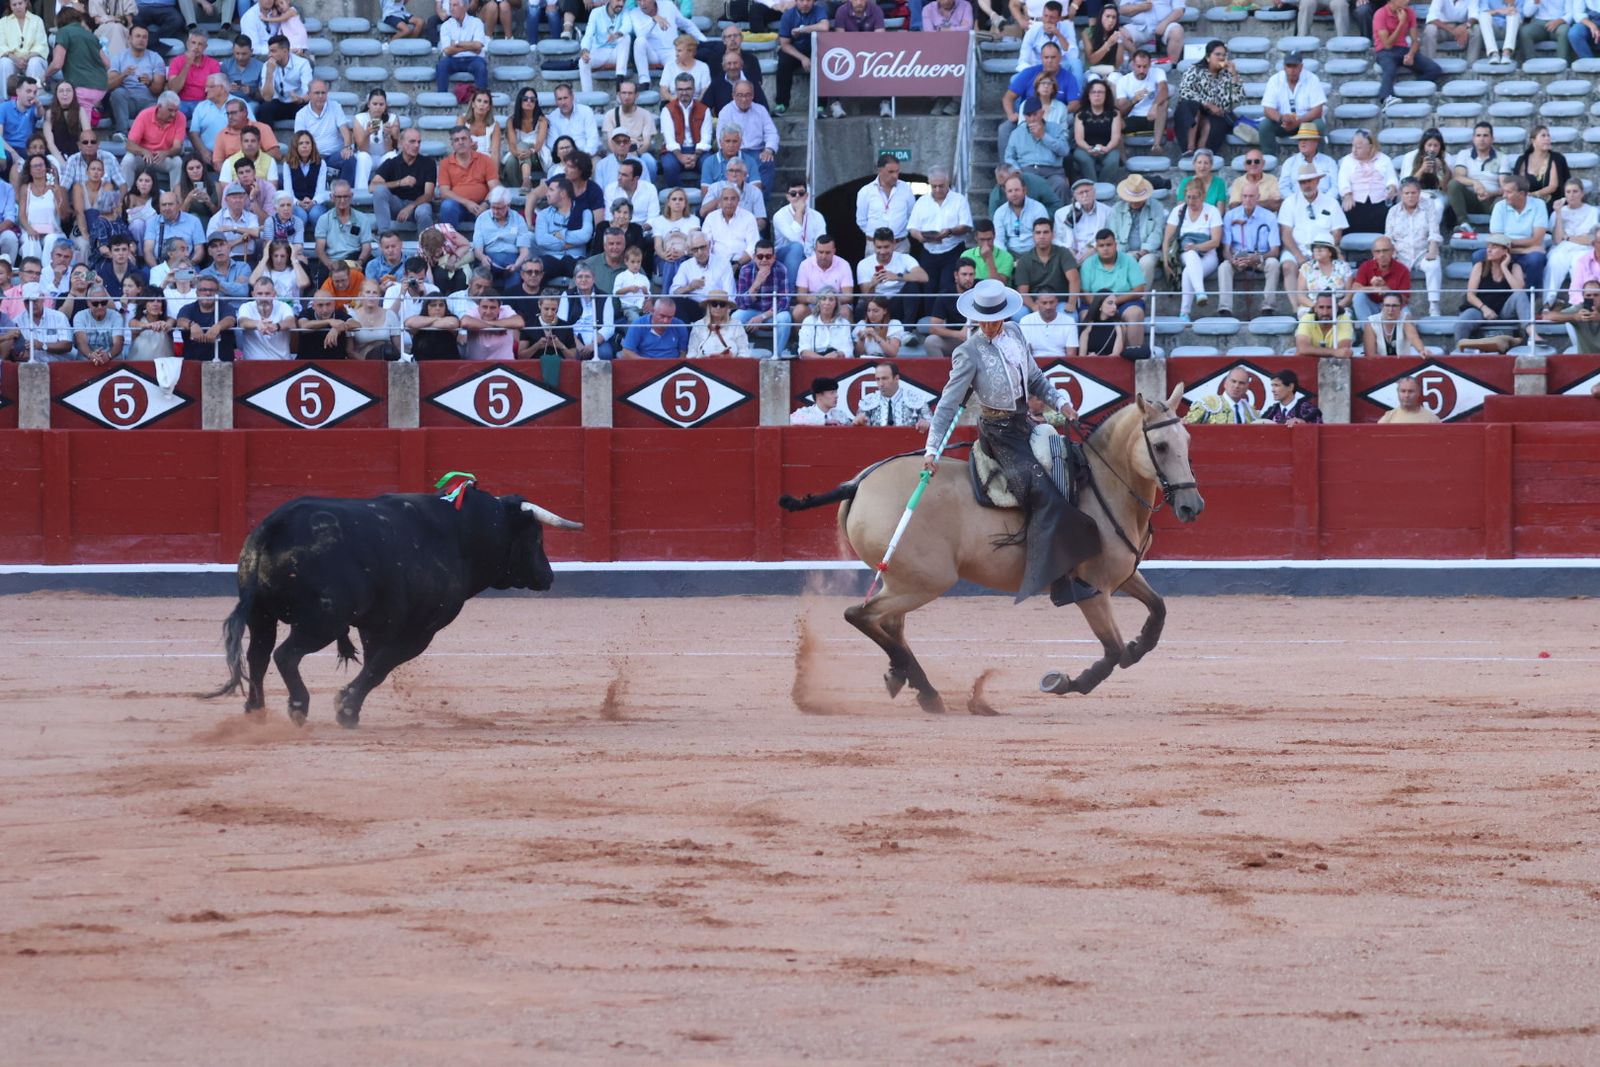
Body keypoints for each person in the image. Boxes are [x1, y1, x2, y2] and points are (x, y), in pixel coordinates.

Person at [922, 278, 1090, 606]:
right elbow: (947, 404)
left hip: (1025, 422)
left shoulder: (1014, 333)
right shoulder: (967, 351)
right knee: (1042, 491)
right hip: (999, 433)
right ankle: (1056, 579)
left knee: (1072, 466)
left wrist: (1060, 402)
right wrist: (932, 448)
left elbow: (1036, 378)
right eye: (983, 318)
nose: (989, 325)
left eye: (994, 317)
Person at [1280, 171, 1349, 307]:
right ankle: (1297, 308)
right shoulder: (1289, 202)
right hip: (1296, 248)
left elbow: (1337, 233)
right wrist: (1299, 257)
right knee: (1287, 266)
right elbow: (1286, 234)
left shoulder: (1331, 203)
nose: (1306, 185)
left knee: (1342, 264)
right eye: (1303, 182)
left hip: (1326, 247)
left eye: (1310, 181)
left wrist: (1324, 251)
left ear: (1317, 181)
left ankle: (1340, 305)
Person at [1455, 233, 1529, 351]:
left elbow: (1519, 291)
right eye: (1488, 246)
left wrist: (1504, 267)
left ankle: (1530, 335)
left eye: (1494, 247)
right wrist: (1484, 308)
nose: (1489, 250)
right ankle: (1460, 351)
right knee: (1462, 323)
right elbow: (1470, 295)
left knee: (1520, 295)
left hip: (1505, 311)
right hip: (1480, 309)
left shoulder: (1515, 267)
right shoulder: (1480, 266)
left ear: (1505, 251)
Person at [1217, 185, 1282, 318]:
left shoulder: (1269, 217)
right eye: (1245, 196)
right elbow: (1225, 249)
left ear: (1258, 198)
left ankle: (1268, 306)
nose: (1248, 200)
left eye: (1251, 196)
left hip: (1260, 256)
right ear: (1241, 197)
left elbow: (1275, 250)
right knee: (1224, 267)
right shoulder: (1230, 216)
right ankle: (1225, 308)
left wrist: (1258, 258)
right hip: (1237, 255)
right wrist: (1232, 260)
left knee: (1273, 263)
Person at [1079, 227, 1148, 348]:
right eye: (1101, 246)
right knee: (1085, 315)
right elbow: (1084, 293)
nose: (1105, 249)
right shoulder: (1088, 263)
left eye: (1109, 245)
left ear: (1115, 245)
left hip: (1124, 302)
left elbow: (1139, 290)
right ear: (1096, 248)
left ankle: (1132, 355)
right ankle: (1091, 357)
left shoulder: (1128, 260)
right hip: (1095, 304)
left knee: (1135, 314)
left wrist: (1113, 303)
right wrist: (1103, 305)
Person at [1163, 179, 1222, 317]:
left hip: (1208, 254)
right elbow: (1167, 239)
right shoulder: (1178, 211)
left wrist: (1197, 246)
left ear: (1202, 196)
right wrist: (1166, 262)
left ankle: (1184, 313)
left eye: (1195, 197)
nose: (1191, 201)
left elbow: (1215, 242)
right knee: (1190, 254)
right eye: (1188, 197)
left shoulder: (1212, 211)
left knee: (1188, 271)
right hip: (1185, 252)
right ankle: (1200, 292)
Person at [1386, 177, 1444, 318]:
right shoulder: (1393, 211)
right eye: (1407, 193)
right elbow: (1388, 236)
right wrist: (1392, 253)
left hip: (1422, 252)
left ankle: (1434, 306)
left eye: (1413, 193)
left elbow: (1434, 232)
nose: (1410, 196)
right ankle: (1399, 308)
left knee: (1434, 265)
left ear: (1419, 192)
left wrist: (1432, 250)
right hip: (1400, 253)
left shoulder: (1429, 206)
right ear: (1401, 194)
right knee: (1391, 270)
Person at [1174, 39, 1243, 157]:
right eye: (1217, 54)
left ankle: (1202, 154)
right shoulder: (1194, 70)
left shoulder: (1227, 75)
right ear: (1208, 57)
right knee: (1191, 106)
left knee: (1214, 122)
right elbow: (1185, 91)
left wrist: (1234, 76)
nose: (1221, 58)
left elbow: (1235, 99)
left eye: (1224, 55)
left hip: (1213, 115)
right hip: (1192, 112)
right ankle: (1189, 147)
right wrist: (1207, 104)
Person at [1482, 173, 1549, 290]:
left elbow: (1537, 240)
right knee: (1478, 256)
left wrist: (1507, 243)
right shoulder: (1499, 206)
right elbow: (1497, 241)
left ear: (1522, 194)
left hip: (1515, 251)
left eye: (1508, 192)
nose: (1504, 196)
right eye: (1504, 191)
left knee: (1536, 259)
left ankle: (1532, 299)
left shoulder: (1539, 205)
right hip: (1507, 251)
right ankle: (1484, 297)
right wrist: (1525, 249)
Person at [1375, 0, 1447, 105]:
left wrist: (1411, 54)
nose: (1407, 1)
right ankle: (1386, 97)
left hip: (1403, 49)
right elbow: (1387, 44)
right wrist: (1401, 23)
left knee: (1434, 69)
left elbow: (1415, 40)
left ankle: (1411, 90)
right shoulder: (1380, 14)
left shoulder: (1409, 12)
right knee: (1389, 69)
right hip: (1385, 51)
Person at [1258, 51, 1326, 159]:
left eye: (1295, 66)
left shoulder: (1312, 79)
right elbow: (1267, 109)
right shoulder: (1274, 80)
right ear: (1284, 67)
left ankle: (1319, 159)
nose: (1292, 70)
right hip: (1283, 123)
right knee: (1265, 125)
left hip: (1305, 122)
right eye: (1289, 66)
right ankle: (1269, 160)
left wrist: (1298, 122)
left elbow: (1318, 110)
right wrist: (1281, 118)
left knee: (1318, 124)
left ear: (1301, 66)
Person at [1446, 121, 1509, 236]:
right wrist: (1475, 183)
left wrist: (1490, 193)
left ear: (1492, 139)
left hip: (1491, 199)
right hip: (1469, 198)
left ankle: (1497, 233)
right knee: (1453, 184)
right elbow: (1458, 176)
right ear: (1473, 138)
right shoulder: (1464, 154)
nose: (1482, 139)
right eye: (1478, 135)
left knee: (1502, 201)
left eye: (1485, 135)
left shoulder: (1501, 157)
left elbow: (1505, 187)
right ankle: (1464, 224)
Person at [1544, 180, 1599, 309]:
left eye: (1575, 191)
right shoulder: (1558, 212)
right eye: (1568, 192)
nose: (1571, 195)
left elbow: (1589, 239)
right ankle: (1547, 302)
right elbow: (1558, 240)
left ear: (1582, 193)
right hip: (1562, 248)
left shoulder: (1591, 211)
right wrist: (1558, 213)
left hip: (1584, 248)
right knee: (1554, 262)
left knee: (1579, 265)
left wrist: (1568, 237)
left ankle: (1579, 303)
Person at [1005, 101, 1071, 206]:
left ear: (1042, 112)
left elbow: (1065, 151)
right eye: (1028, 115)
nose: (1032, 119)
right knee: (1024, 185)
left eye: (1035, 114)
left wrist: (1043, 136)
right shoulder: (1017, 133)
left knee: (1061, 184)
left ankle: (1060, 220)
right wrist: (1017, 170)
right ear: (1024, 116)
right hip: (1028, 171)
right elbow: (1009, 157)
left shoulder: (1056, 128)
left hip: (1053, 171)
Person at [856, 226, 927, 322]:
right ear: (873, 245)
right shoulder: (864, 264)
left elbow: (924, 277)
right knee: (861, 303)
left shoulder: (904, 258)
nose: (882, 251)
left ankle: (907, 330)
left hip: (898, 302)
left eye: (886, 247)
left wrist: (897, 276)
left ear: (894, 244)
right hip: (878, 303)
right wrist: (872, 284)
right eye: (879, 247)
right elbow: (866, 295)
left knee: (912, 286)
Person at [293, 80, 356, 188]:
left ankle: (344, 191)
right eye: (317, 93)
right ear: (309, 95)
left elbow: (345, 129)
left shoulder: (335, 106)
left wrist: (347, 147)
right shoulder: (301, 114)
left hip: (334, 156)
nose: (321, 96)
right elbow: (300, 140)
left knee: (349, 158)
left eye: (323, 93)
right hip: (313, 157)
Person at [733, 239, 790, 356]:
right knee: (735, 317)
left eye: (768, 256)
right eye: (760, 256)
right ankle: (740, 354)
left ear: (774, 257)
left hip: (771, 313)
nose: (764, 260)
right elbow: (740, 303)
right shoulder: (745, 269)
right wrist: (756, 284)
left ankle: (777, 355)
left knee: (785, 318)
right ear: (754, 257)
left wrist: (762, 317)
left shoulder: (781, 269)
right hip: (752, 311)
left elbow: (784, 301)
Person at [120, 90, 185, 191]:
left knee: (177, 161)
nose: (173, 114)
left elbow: (177, 147)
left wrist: (166, 153)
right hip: (143, 157)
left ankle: (175, 197)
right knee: (127, 160)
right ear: (159, 107)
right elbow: (129, 145)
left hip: (161, 158)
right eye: (170, 110)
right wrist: (143, 151)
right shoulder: (144, 115)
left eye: (176, 111)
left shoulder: (181, 118)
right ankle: (126, 198)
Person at [106, 24, 166, 133]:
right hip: (128, 103)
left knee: (158, 105)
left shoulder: (156, 58)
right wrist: (123, 75)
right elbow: (109, 85)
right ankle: (121, 133)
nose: (141, 40)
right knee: (117, 93)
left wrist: (149, 83)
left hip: (148, 102)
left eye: (144, 37)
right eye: (137, 36)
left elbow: (158, 90)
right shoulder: (119, 57)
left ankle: (146, 138)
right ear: (129, 39)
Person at [1014, 216, 1078, 316]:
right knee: (1019, 314)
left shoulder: (1063, 253)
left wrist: (1071, 303)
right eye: (1038, 233)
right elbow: (1023, 292)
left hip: (1059, 302)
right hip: (1035, 302)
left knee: (1070, 315)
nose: (1042, 236)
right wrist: (1033, 306)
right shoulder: (1024, 260)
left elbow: (1074, 279)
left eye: (1046, 232)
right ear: (1033, 236)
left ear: (1053, 235)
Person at [1339, 129, 1400, 234]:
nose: (1354, 150)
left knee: (1388, 212)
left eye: (1358, 147)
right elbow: (1343, 180)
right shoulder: (1347, 160)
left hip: (1380, 201)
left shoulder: (1384, 159)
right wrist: (1347, 195)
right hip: (1355, 202)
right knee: (1347, 210)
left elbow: (1392, 178)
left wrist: (1392, 187)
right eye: (1353, 146)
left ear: (1370, 147)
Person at [314, 180, 374, 280]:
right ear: (332, 197)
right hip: (333, 261)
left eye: (345, 196)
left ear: (351, 196)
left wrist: (360, 261)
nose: (342, 200)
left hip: (354, 259)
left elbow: (366, 246)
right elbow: (319, 249)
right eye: (339, 197)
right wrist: (330, 265)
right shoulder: (324, 219)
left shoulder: (362, 218)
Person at [855, 155, 917, 252]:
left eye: (897, 171)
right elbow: (861, 220)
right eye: (891, 172)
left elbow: (912, 215)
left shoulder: (906, 189)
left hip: (900, 245)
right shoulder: (865, 191)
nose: (895, 176)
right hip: (875, 247)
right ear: (880, 170)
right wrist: (876, 237)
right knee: (875, 268)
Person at [775, 0, 826, 116]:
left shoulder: (819, 11)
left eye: (808, 0)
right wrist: (803, 58)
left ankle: (820, 105)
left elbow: (825, 26)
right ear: (796, 1)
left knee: (824, 61)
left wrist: (802, 29)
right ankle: (781, 104)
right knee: (783, 63)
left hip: (816, 50)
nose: (805, 3)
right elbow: (784, 44)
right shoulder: (788, 15)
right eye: (801, 0)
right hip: (795, 51)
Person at [1071, 79, 1124, 185]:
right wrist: (1089, 148)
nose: (1097, 95)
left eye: (1100, 92)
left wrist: (1107, 148)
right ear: (1088, 95)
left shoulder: (1114, 113)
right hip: (1085, 148)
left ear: (1106, 95)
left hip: (1108, 148)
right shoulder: (1081, 113)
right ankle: (1092, 185)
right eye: (1093, 92)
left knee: (1113, 159)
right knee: (1082, 157)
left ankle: (1104, 185)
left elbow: (1116, 137)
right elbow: (1079, 138)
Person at [1112, 49, 1167, 152]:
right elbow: (1122, 111)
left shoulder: (1158, 72)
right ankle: (1123, 160)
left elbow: (1164, 89)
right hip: (1133, 117)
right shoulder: (1123, 81)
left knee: (1163, 103)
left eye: (1145, 66)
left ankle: (1156, 145)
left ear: (1150, 64)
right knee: (1114, 116)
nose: (1142, 70)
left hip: (1153, 117)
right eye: (1139, 66)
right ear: (1133, 65)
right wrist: (1134, 100)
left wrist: (1155, 106)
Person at [174, 276, 236, 361]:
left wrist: (218, 326)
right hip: (193, 363)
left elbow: (230, 320)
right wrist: (191, 325)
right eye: (203, 289)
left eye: (211, 290)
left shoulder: (226, 307)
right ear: (197, 292)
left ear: (217, 292)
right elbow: (180, 321)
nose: (207, 293)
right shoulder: (187, 308)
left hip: (222, 364)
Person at [1351, 236, 1412, 321]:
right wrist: (1374, 289)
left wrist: (1388, 291)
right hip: (1371, 306)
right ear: (1373, 253)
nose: (1382, 255)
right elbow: (1355, 288)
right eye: (1378, 251)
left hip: (1392, 306)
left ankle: (1399, 333)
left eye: (1385, 250)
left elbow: (1404, 300)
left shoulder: (1402, 269)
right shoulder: (1366, 266)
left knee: (1407, 314)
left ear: (1392, 251)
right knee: (1358, 297)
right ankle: (1368, 330)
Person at [857, 360, 931, 429]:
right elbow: (858, 430)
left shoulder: (916, 399)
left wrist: (926, 424)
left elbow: (933, 426)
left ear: (896, 378)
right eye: (878, 379)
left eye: (884, 378)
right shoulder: (867, 402)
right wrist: (859, 423)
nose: (881, 384)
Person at [576, 0, 630, 93]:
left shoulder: (625, 11)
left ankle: (619, 81)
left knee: (626, 37)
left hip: (617, 53)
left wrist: (617, 34)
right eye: (618, 0)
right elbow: (588, 35)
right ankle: (588, 97)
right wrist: (585, 50)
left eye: (623, 1)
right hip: (600, 51)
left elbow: (628, 26)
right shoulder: (596, 12)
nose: (621, 4)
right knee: (583, 62)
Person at [1513, 125, 1570, 212]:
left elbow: (1553, 186)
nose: (1547, 138)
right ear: (1533, 141)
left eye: (1548, 135)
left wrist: (1533, 194)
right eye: (1543, 136)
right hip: (1526, 200)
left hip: (1550, 200)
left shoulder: (1556, 158)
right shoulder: (1523, 160)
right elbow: (1518, 184)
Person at [436, 0, 488, 93]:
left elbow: (478, 46)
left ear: (464, 7)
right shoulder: (446, 25)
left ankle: (481, 97)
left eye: (455, 5)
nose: (451, 9)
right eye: (450, 5)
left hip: (473, 59)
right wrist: (470, 46)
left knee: (481, 66)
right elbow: (447, 51)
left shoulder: (476, 22)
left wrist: (456, 43)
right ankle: (442, 98)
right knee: (441, 65)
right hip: (453, 59)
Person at [1364, 289, 1431, 356]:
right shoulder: (1371, 322)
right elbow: (1370, 354)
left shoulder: (1405, 318)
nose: (1390, 310)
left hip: (1403, 364)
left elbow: (1413, 337)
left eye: (1394, 306)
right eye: (1387, 305)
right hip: (1378, 364)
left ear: (1401, 307)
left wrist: (1421, 350)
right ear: (1382, 306)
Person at [685, 289, 750, 357]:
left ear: (727, 307)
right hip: (703, 365)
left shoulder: (736, 324)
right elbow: (692, 353)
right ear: (709, 306)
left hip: (731, 365)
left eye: (722, 304)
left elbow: (744, 352)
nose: (718, 307)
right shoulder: (698, 325)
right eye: (714, 304)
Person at [1278, 123, 1338, 198]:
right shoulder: (1290, 162)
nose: (1302, 143)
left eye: (1306, 139)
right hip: (1296, 205)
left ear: (1316, 141)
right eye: (1300, 140)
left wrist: (1324, 202)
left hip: (1325, 204)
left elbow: (1335, 187)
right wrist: (1296, 203)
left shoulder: (1329, 162)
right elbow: (1283, 188)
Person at [0, 0, 46, 94]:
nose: (17, 7)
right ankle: (6, 98)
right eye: (14, 4)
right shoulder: (3, 22)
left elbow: (41, 44)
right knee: (4, 63)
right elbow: (1, 45)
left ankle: (35, 97)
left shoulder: (37, 20)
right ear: (10, 6)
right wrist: (16, 59)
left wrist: (26, 58)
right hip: (13, 59)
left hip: (31, 58)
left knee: (34, 62)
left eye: (20, 3)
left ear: (26, 3)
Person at [619, 296, 689, 359]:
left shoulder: (680, 325)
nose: (665, 321)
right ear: (653, 311)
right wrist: (651, 364)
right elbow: (627, 352)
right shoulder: (639, 324)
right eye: (662, 316)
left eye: (670, 317)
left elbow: (683, 353)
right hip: (645, 368)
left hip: (672, 369)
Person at [71, 284, 125, 364]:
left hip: (112, 362)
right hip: (86, 363)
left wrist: (108, 355)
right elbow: (81, 342)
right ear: (88, 303)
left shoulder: (116, 316)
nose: (100, 306)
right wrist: (91, 355)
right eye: (95, 304)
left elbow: (118, 343)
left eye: (103, 302)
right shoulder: (80, 316)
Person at [1293, 290, 1356, 358]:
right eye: (1321, 307)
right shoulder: (1307, 318)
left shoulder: (1344, 319)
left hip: (1334, 365)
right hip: (1310, 362)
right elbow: (1302, 348)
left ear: (1336, 308)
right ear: (1315, 308)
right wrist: (1333, 352)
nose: (1325, 312)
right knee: (1299, 354)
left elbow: (1343, 351)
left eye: (1329, 307)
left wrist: (1311, 351)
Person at [1185, 366, 1259, 424]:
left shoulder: (1251, 411)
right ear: (1225, 383)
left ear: (1247, 387)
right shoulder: (1207, 404)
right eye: (1233, 381)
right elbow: (1186, 426)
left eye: (1241, 383)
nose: (1236, 386)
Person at [1121, 0, 1185, 64]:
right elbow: (1122, 10)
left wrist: (1164, 24)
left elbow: (1179, 11)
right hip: (1139, 26)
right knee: (1119, 34)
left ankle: (1172, 65)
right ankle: (1135, 59)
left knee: (1177, 31)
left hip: (1166, 25)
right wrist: (1140, 7)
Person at [797, 288, 852, 359]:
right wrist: (823, 360)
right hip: (814, 361)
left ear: (836, 303)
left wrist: (837, 354)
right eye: (823, 299)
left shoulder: (844, 323)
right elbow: (803, 351)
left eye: (831, 300)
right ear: (818, 302)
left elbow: (848, 350)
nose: (827, 303)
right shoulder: (809, 321)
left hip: (837, 361)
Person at [1257, 368, 1323, 426]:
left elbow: (1318, 433)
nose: (1273, 390)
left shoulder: (1309, 411)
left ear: (1290, 387)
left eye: (1277, 385)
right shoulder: (1271, 411)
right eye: (1272, 386)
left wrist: (1304, 425)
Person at [961, 218, 1015, 284]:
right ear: (976, 237)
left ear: (994, 236)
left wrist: (989, 258)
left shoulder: (1007, 257)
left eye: (989, 239)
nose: (986, 244)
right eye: (982, 239)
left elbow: (998, 286)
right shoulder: (966, 255)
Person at [1078, 290, 1124, 357]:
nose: (1114, 307)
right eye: (1110, 303)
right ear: (1099, 305)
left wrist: (1119, 331)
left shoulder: (1118, 326)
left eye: (1115, 303)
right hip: (1088, 364)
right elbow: (1081, 356)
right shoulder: (1089, 325)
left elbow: (1116, 355)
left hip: (1110, 365)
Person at [1377, 375, 1442, 423]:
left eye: (1411, 391)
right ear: (1398, 392)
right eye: (1403, 391)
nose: (1406, 395)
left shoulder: (1432, 420)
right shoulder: (1388, 419)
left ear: (1418, 393)